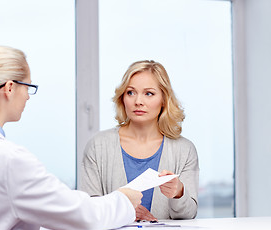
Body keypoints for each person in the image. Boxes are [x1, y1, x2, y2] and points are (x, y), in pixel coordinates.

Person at [0, 46, 142, 230]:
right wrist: (123, 200)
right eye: (28, 87)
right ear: (10, 88)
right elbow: (83, 216)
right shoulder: (10, 160)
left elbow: (0, 221)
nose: (28, 96)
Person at [79, 60, 199, 221]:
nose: (138, 101)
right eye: (130, 92)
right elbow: (89, 211)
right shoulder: (98, 146)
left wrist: (178, 192)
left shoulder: (184, 150)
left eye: (149, 93)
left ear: (164, 99)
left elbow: (189, 215)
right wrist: (122, 213)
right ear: (122, 98)